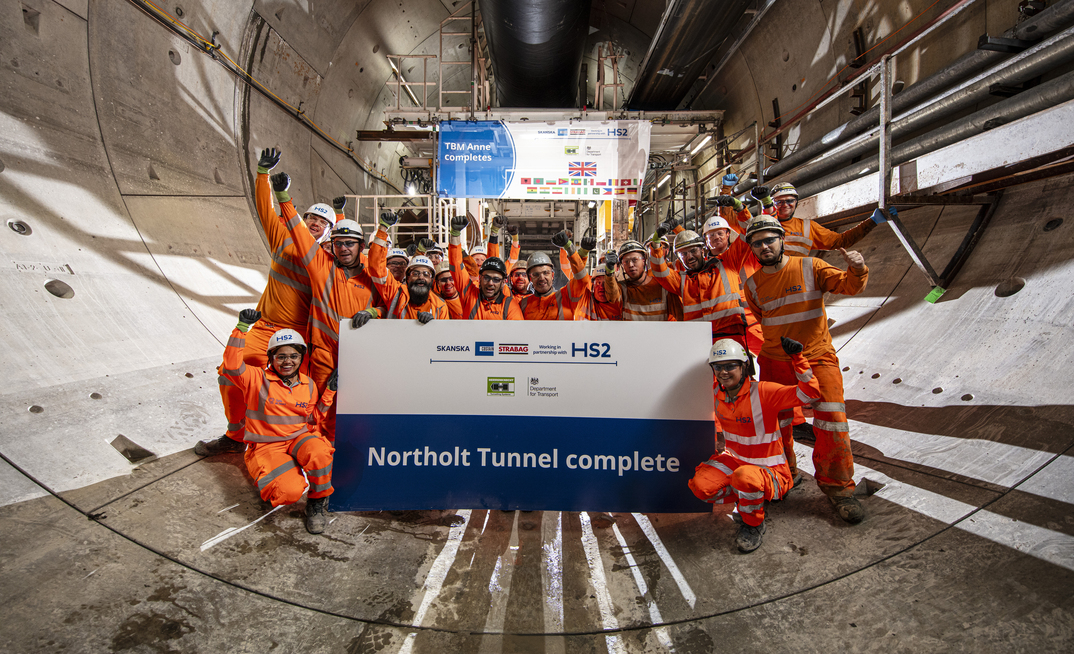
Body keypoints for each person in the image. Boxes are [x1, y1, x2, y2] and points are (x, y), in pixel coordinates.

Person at [742, 215, 870, 523]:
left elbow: (848, 287)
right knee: (776, 426)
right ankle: (784, 478)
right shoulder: (753, 285)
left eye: (769, 240)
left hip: (817, 357)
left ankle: (839, 489)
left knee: (832, 421)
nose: (764, 246)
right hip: (774, 361)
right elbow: (763, 318)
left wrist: (857, 268)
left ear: (781, 239)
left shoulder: (810, 267)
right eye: (757, 243)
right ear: (753, 249)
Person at [199, 147, 323, 456]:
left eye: (321, 222)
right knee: (230, 373)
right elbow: (264, 209)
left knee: (300, 392)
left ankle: (293, 440)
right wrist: (262, 174)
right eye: (309, 217)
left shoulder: (326, 260)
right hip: (266, 328)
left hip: (301, 336)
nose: (312, 223)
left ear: (329, 231)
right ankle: (236, 434)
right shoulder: (282, 238)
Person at [689, 337, 819, 552]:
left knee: (744, 478)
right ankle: (748, 499)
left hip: (772, 471)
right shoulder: (717, 394)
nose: (723, 372)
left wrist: (798, 359)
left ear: (744, 366)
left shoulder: (763, 392)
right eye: (718, 367)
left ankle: (753, 524)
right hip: (736, 461)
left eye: (730, 366)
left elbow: (810, 394)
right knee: (702, 487)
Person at [276, 171, 380, 440]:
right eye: (338, 244)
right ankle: (322, 454)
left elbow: (389, 309)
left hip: (359, 355)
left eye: (349, 244)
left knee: (359, 411)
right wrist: (283, 198)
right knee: (321, 408)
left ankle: (353, 455)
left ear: (360, 247)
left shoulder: (371, 280)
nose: (343, 249)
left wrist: (373, 312)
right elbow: (299, 233)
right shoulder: (321, 267)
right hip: (323, 355)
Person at [220, 309, 336, 534]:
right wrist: (242, 329)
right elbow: (232, 367)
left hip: (298, 438)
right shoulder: (257, 378)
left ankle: (316, 502)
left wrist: (329, 391)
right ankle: (281, 471)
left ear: (301, 357)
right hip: (267, 446)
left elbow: (313, 418)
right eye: (281, 356)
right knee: (288, 493)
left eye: (293, 356)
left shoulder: (308, 384)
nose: (287, 362)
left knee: (320, 452)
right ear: (271, 358)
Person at [648, 228, 750, 349]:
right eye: (683, 254)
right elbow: (659, 270)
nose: (689, 257)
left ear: (703, 249)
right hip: (698, 340)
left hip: (731, 336)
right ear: (679, 258)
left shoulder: (727, 264)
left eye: (693, 250)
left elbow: (748, 234)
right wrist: (656, 241)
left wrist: (740, 209)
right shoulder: (681, 281)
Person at [742, 182, 885, 257]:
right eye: (779, 202)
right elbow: (768, 221)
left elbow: (841, 241)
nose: (785, 205)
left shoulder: (807, 227)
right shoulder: (760, 226)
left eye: (789, 201)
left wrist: (872, 221)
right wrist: (766, 202)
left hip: (798, 282)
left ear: (796, 202)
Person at [367, 217, 449, 321]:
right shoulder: (396, 294)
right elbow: (376, 266)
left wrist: (432, 325)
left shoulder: (440, 306)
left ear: (432, 279)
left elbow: (443, 335)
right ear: (408, 277)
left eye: (425, 274)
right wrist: (383, 229)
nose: (421, 277)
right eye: (415, 273)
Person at [447, 215, 523, 320]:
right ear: (480, 278)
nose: (490, 283)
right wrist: (455, 235)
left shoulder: (510, 305)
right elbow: (455, 265)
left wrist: (496, 233)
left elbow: (494, 258)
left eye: (496, 279)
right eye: (486, 277)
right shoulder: (469, 293)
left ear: (504, 282)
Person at [601, 239, 683, 321]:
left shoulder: (663, 286)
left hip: (658, 334)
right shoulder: (623, 288)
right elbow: (612, 296)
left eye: (635, 260)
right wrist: (610, 270)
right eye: (626, 262)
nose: (630, 265)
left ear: (644, 260)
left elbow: (680, 318)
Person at [518, 231, 590, 320]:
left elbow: (582, 280)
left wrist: (569, 248)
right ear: (530, 278)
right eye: (536, 274)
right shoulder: (523, 304)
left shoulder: (566, 297)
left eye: (546, 273)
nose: (541, 278)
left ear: (552, 275)